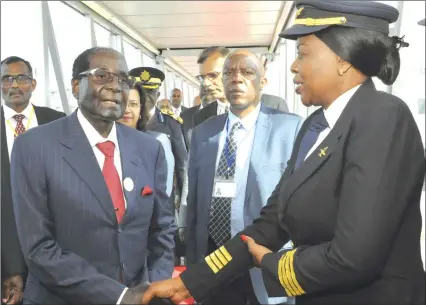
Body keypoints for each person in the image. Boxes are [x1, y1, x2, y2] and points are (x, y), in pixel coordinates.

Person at [142, 1, 425, 305]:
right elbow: (270, 224)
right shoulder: (315, 126)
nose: (294, 66)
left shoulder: (383, 116)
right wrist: (188, 283)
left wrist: (272, 264)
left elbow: (355, 255)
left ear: (343, 60)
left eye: (303, 53)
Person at [10, 47, 175, 304]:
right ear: (76, 86)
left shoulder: (148, 149)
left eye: (122, 80)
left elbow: (162, 230)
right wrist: (119, 297)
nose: (114, 86)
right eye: (102, 76)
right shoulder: (34, 146)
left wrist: (154, 288)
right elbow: (38, 246)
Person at [178, 49, 302, 305]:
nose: (237, 79)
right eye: (229, 73)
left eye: (247, 72)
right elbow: (195, 203)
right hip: (214, 259)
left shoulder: (290, 129)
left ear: (262, 82)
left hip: (263, 256)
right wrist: (193, 262)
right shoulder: (203, 133)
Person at [0, 56, 65, 304]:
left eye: (22, 78)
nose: (14, 85)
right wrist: (10, 266)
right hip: (6, 253)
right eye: (7, 78)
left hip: (57, 250)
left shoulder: (58, 121)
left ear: (33, 84)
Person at [130, 67, 188, 209]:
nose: (146, 97)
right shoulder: (125, 120)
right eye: (141, 91)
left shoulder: (171, 123)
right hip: (132, 198)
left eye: (150, 92)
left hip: (163, 198)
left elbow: (182, 166)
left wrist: (183, 200)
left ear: (158, 94)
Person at [117, 83, 175, 197]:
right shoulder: (103, 143)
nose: (127, 110)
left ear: (140, 109)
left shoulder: (156, 143)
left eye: (133, 104)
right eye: (121, 104)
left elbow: (163, 192)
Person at [193, 46, 231, 127]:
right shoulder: (199, 117)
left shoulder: (258, 111)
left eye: (213, 75)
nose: (206, 83)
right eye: (202, 77)